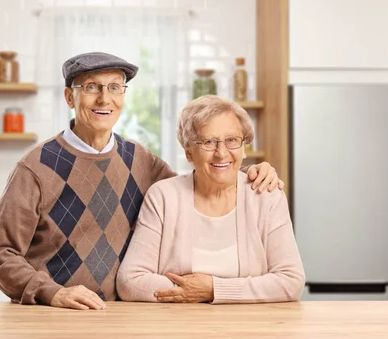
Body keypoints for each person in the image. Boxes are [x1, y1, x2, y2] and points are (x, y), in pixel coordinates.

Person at [0, 53, 283, 310]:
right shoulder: (35, 167)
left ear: (123, 96)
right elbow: (2, 254)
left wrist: (252, 173)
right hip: (53, 314)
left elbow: (201, 186)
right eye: (91, 87)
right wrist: (54, 294)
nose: (105, 98)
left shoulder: (139, 160)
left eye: (115, 87)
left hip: (121, 315)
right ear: (69, 97)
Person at [116, 95, 304, 304]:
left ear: (243, 148)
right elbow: (130, 281)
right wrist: (191, 291)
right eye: (208, 142)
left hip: (252, 329)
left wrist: (214, 290)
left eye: (231, 140)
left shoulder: (266, 195)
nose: (221, 153)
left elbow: (291, 281)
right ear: (188, 152)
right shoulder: (163, 196)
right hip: (177, 329)